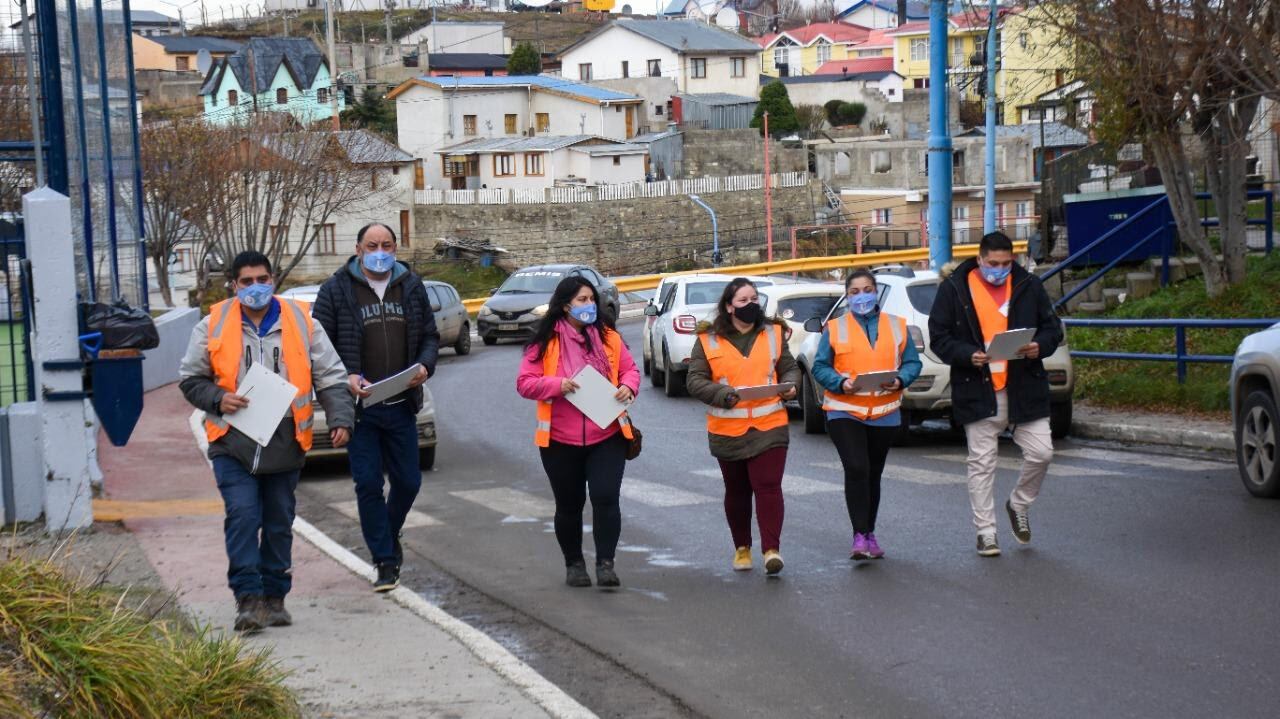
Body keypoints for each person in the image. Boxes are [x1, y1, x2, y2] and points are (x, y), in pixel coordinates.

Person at [179, 251, 353, 633]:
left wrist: (340, 417)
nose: (255, 287)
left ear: (273, 279)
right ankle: (248, 600)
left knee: (278, 521)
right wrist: (217, 399)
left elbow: (331, 375)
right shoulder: (212, 324)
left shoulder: (302, 321)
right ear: (234, 284)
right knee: (242, 515)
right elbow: (190, 379)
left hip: (285, 439)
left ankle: (275, 598)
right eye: (246, 281)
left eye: (262, 279)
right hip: (232, 440)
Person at [313, 223, 440, 592]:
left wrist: (424, 366)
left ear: (396, 248)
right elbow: (320, 347)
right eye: (372, 245)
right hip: (360, 408)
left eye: (386, 244)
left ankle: (388, 529)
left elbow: (430, 336)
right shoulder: (335, 290)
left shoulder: (411, 286)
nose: (379, 251)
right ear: (358, 248)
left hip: (401, 404)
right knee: (368, 483)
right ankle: (385, 561)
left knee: (409, 481)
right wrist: (347, 376)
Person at [928, 231, 1063, 557]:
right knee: (982, 464)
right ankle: (986, 532)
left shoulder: (1028, 286)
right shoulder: (955, 289)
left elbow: (1052, 329)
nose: (999, 269)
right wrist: (966, 354)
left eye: (1006, 263)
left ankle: (1018, 503)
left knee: (1042, 452)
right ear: (980, 259)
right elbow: (939, 337)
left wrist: (1038, 347)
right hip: (978, 387)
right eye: (993, 264)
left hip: (1023, 385)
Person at [516, 276, 639, 588]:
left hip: (607, 433)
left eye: (591, 300)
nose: (589, 306)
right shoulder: (544, 342)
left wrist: (628, 386)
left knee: (606, 497)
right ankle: (574, 564)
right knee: (569, 506)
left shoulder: (608, 336)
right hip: (560, 440)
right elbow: (525, 383)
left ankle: (606, 564)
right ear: (565, 304)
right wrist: (558, 384)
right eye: (582, 300)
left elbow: (630, 370)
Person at [686, 278, 801, 575]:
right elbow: (695, 380)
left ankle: (771, 550)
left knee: (768, 486)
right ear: (729, 306)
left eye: (754, 299)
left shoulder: (774, 332)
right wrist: (723, 394)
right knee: (737, 491)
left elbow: (788, 367)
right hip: (728, 428)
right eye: (743, 300)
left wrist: (791, 386)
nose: (751, 305)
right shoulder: (708, 339)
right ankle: (742, 547)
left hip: (770, 424)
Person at [812, 269, 922, 561]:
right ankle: (859, 535)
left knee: (873, 474)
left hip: (884, 412)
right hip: (844, 410)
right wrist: (841, 383)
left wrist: (900, 380)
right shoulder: (835, 328)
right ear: (847, 297)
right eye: (855, 292)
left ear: (876, 293)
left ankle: (870, 532)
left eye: (867, 289)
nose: (862, 296)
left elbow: (912, 363)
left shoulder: (897, 327)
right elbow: (820, 367)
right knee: (857, 468)